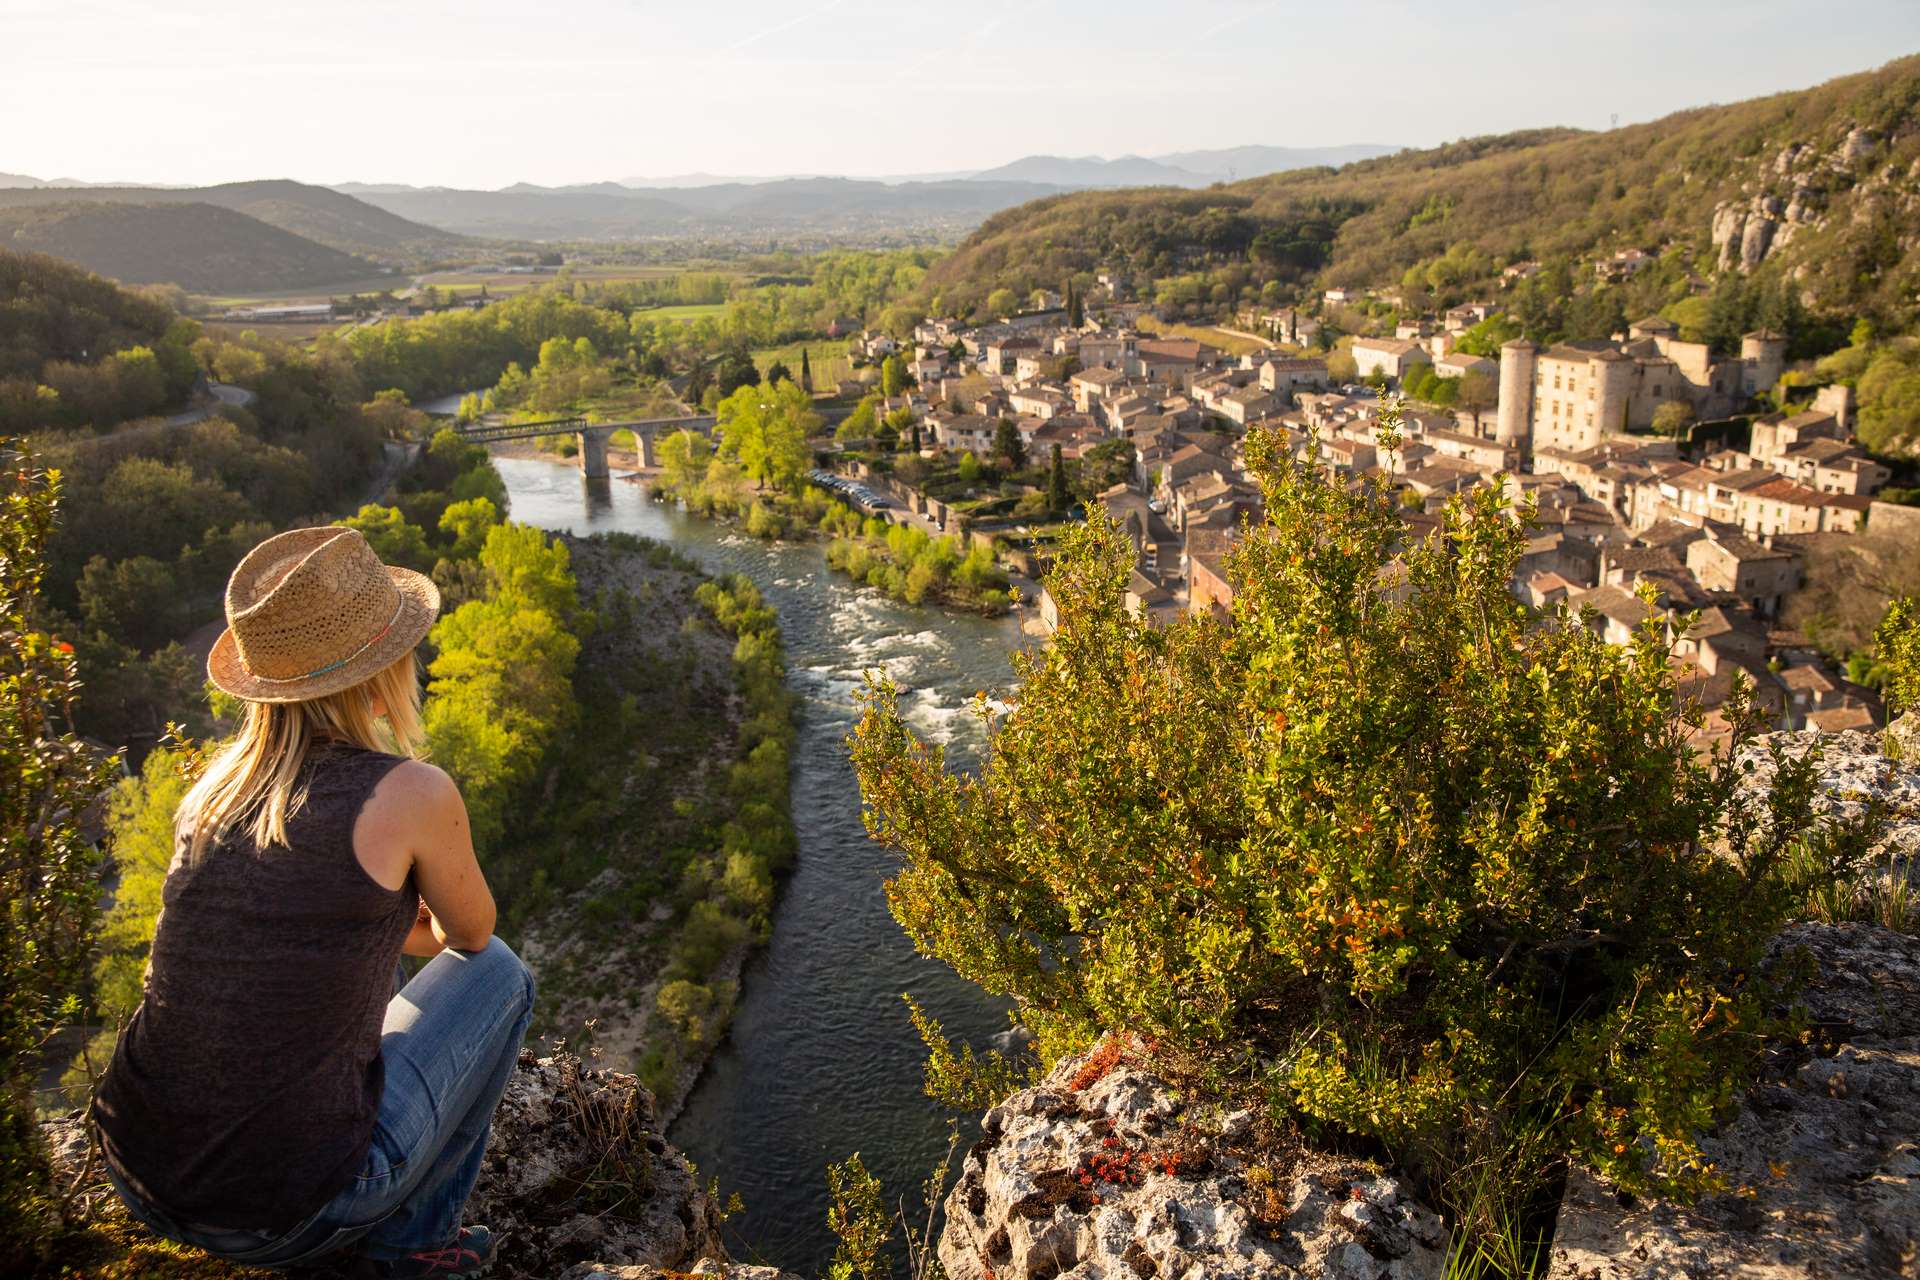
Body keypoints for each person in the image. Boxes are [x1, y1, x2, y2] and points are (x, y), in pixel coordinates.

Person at [93, 526, 535, 1278]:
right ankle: (413, 1249)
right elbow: (471, 934)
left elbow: (286, 942)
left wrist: (378, 924)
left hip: (141, 1175)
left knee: (370, 950)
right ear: (385, 664)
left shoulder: (211, 795)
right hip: (284, 1215)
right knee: (503, 975)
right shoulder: (409, 792)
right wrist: (403, 922)